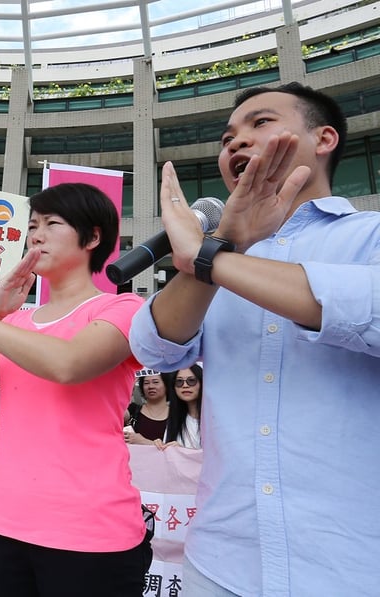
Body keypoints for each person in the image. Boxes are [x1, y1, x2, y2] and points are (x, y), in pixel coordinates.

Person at [129, 82, 380, 595]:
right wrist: (229, 247)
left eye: (259, 124)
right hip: (220, 561)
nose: (235, 143)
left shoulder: (369, 236)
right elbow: (154, 347)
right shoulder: (229, 256)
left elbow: (365, 305)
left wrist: (213, 258)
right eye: (226, 139)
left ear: (325, 137)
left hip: (350, 565)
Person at [0, 183, 150, 596]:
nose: (37, 236)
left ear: (94, 237)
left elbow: (67, 364)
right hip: (8, 523)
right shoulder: (14, 321)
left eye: (53, 224)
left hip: (90, 531)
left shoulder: (120, 309)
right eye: (33, 226)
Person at [158, 365, 202, 450]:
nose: (185, 385)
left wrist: (183, 452)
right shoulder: (174, 420)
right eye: (179, 382)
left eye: (191, 381)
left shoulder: (215, 419)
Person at [124, 371, 169, 445]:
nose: (151, 386)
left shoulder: (176, 415)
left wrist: (144, 441)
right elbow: (116, 414)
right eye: (146, 383)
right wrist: (128, 389)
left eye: (155, 382)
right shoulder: (133, 410)